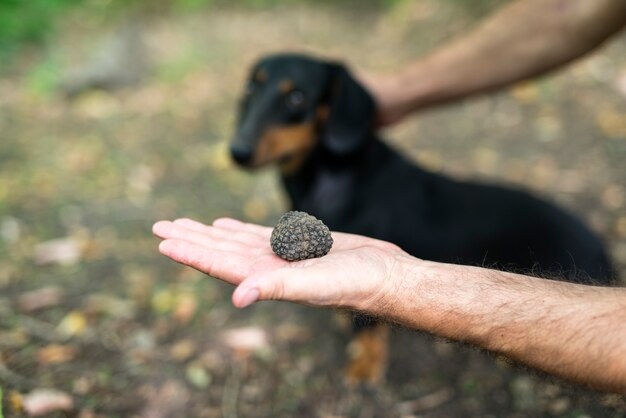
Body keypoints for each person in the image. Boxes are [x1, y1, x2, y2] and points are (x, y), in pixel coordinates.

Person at [153, 0, 626, 394]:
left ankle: (369, 346)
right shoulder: (334, 181)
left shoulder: (360, 194)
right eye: (256, 95)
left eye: (294, 103)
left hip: (575, 260)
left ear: (331, 110)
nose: (251, 133)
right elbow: (568, 8)